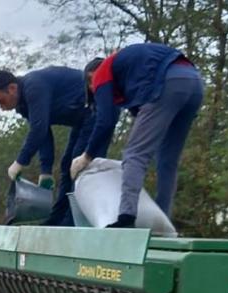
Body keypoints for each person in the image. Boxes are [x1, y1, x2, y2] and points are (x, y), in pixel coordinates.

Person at [70, 43, 204, 228]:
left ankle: (126, 218)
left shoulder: (100, 73)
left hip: (167, 82)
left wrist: (87, 156)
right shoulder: (129, 71)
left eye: (93, 88)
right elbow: (139, 113)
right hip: (194, 82)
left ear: (90, 79)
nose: (96, 91)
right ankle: (163, 224)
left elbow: (106, 122)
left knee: (134, 154)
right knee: (167, 160)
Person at [0, 67, 111, 226]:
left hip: (98, 113)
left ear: (12, 88)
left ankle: (73, 221)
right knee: (67, 165)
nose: (2, 108)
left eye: (1, 102)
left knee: (81, 167)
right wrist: (46, 171)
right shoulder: (22, 104)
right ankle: (57, 219)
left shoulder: (33, 87)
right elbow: (44, 133)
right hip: (81, 120)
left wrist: (20, 161)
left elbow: (38, 129)